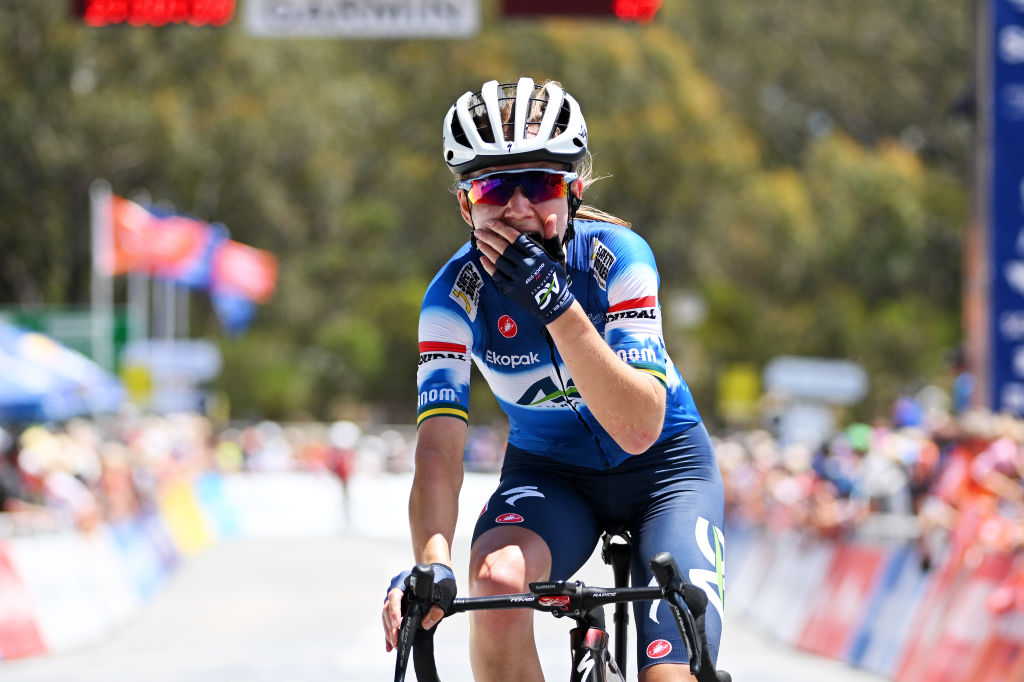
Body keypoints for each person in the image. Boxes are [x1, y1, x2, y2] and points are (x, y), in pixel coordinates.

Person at [382, 77, 726, 682]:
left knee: (672, 677)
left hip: (665, 471)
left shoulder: (618, 257)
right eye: (492, 187)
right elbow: (438, 448)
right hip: (551, 477)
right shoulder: (452, 299)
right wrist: (431, 563)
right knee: (494, 583)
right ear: (466, 203)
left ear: (574, 189)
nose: (517, 209)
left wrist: (558, 307)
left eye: (539, 184)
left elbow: (640, 427)